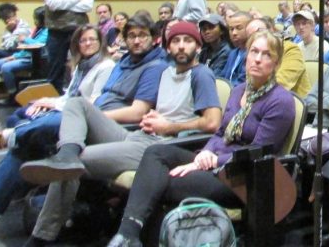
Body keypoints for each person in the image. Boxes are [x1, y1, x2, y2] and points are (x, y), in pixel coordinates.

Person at [0, 24, 128, 247]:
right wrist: (48, 102)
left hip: (89, 123)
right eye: (83, 40)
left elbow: (91, 105)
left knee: (28, 140)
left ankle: (6, 141)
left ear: (101, 42)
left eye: (92, 40)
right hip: (72, 113)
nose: (87, 44)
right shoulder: (81, 65)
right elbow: (70, 95)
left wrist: (55, 105)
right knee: (22, 116)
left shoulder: (106, 66)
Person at [19, 21, 222, 245]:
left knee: (72, 165)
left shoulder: (201, 74)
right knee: (77, 104)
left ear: (198, 47)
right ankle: (67, 152)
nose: (181, 46)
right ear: (167, 47)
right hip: (138, 135)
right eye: (176, 41)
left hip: (158, 148)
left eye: (188, 41)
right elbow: (166, 109)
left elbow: (213, 122)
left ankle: (41, 237)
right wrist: (154, 116)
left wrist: (169, 126)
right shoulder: (167, 73)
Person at [105, 31, 296, 247]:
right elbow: (220, 133)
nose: (258, 59)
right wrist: (204, 153)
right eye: (254, 52)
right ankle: (127, 234)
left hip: (244, 179)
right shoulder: (239, 91)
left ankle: (137, 238)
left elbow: (258, 152)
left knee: (160, 182)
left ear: (276, 63)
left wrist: (214, 160)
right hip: (216, 162)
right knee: (156, 152)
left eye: (266, 54)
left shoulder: (280, 101)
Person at [42, 0, 94, 91]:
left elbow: (87, 6)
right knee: (55, 68)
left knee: (83, 64)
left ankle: (81, 95)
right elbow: (52, 4)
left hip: (79, 31)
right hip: (56, 32)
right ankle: (53, 97)